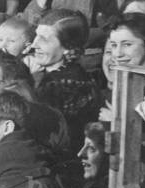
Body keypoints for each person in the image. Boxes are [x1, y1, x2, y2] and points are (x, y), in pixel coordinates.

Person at [30, 9, 102, 151]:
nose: (34, 44)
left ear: (68, 47)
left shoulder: (62, 85)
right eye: (36, 36)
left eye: (44, 39)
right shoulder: (71, 74)